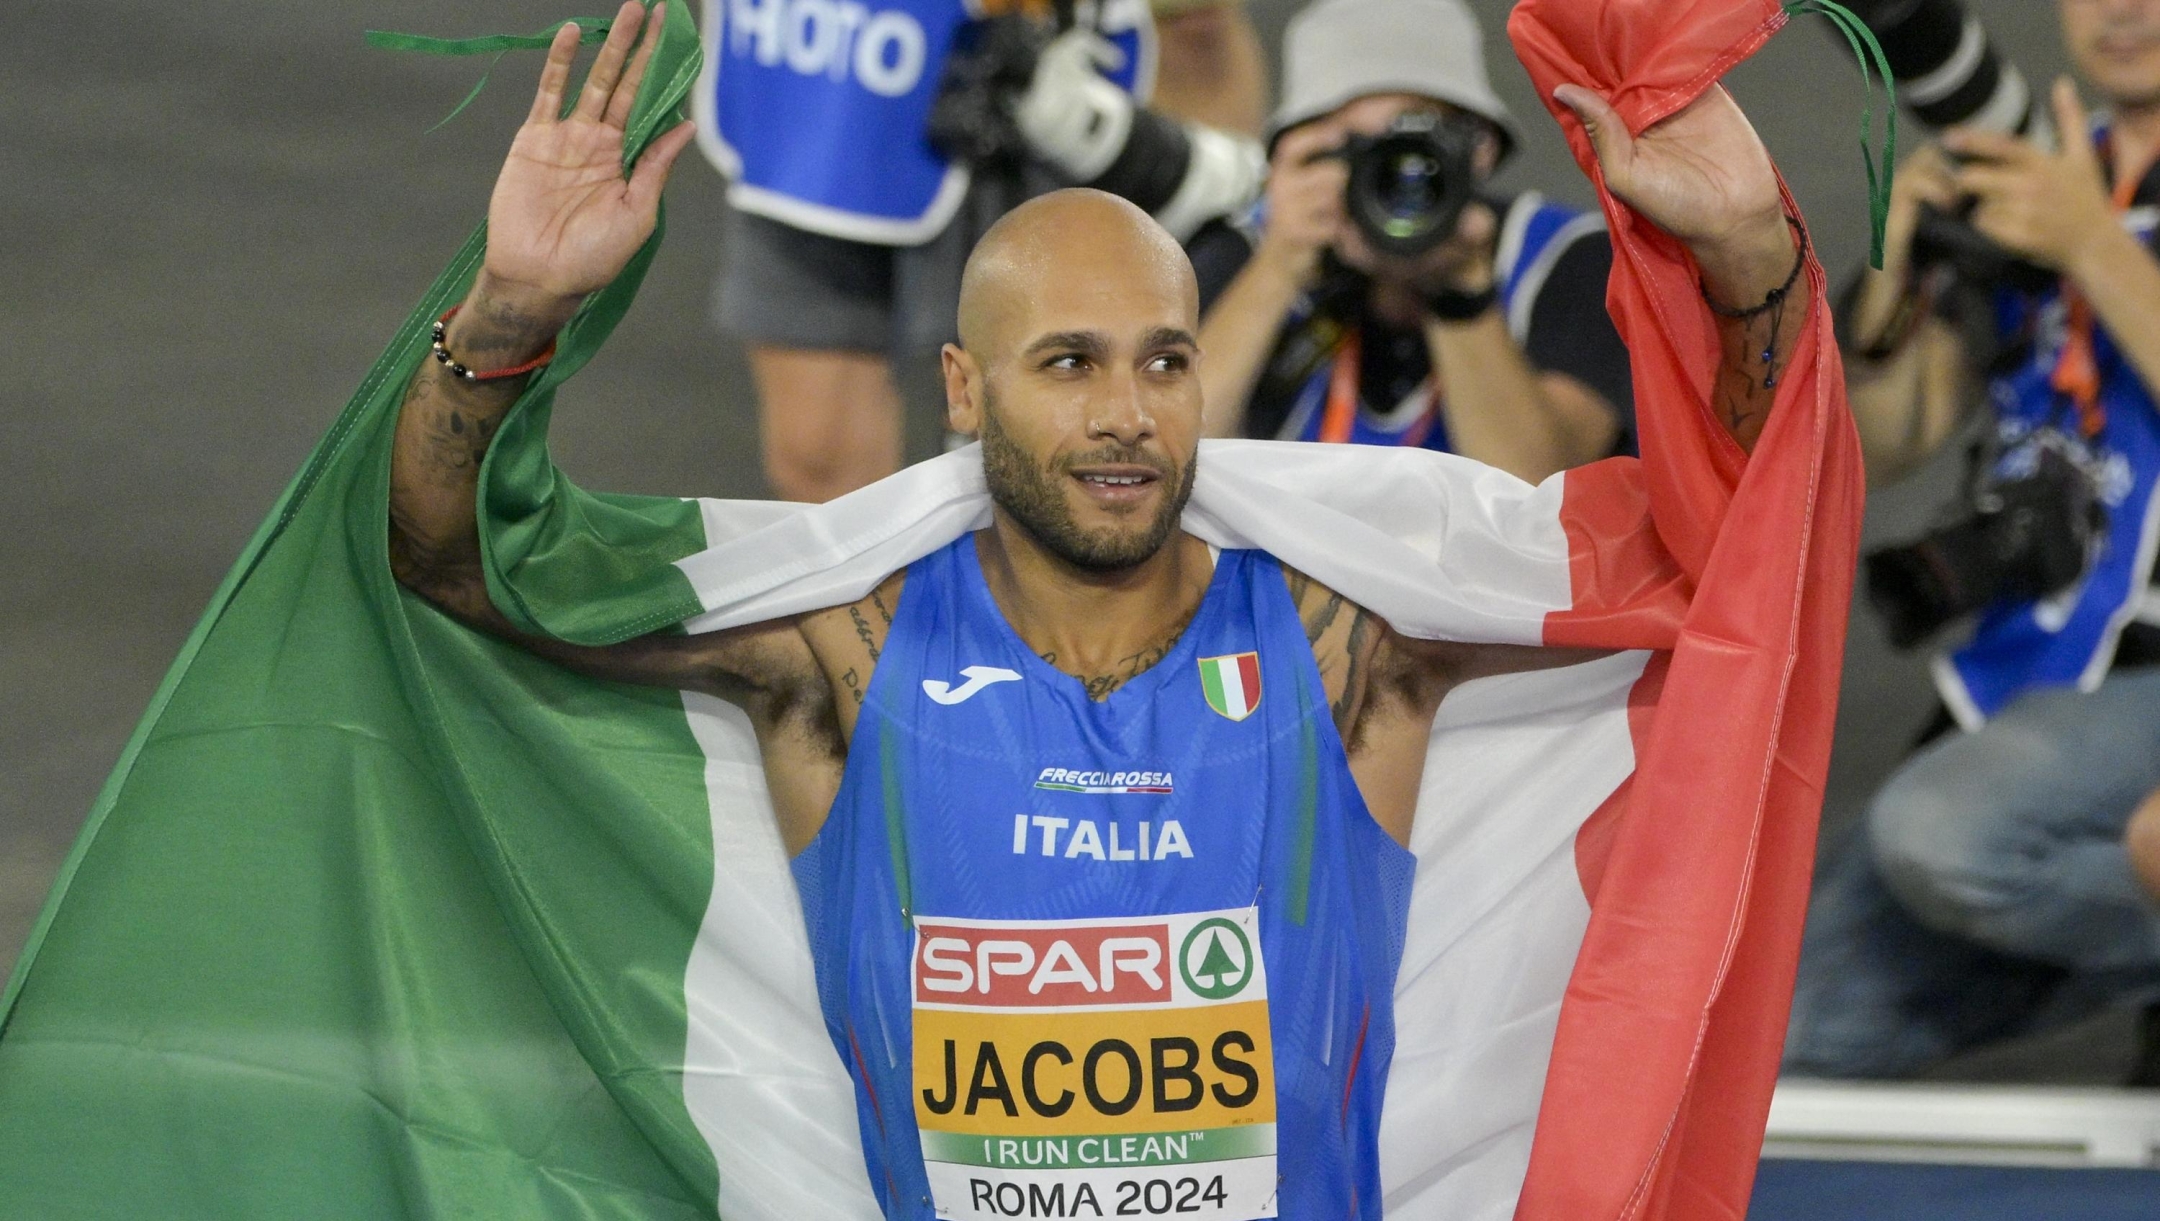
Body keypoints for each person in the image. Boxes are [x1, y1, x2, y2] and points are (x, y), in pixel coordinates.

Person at [389, 5, 1808, 1214]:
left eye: (1165, 361)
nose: (1126, 416)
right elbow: (464, 573)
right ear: (962, 389)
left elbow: (1731, 555)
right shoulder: (840, 656)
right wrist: (509, 312)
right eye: (1068, 362)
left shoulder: (1348, 647)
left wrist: (1750, 266)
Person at [1785, 0, 2160, 1081]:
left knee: (1944, 833)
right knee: (1791, 1031)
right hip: (2028, 683)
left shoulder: (2067, 208)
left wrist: (2093, 246)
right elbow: (1880, 447)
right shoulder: (2039, 174)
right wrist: (1900, 276)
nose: (2122, 12)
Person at [695, 0, 1265, 501]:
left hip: (1039, 56)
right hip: (828, 60)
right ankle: (883, 621)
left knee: (1066, 439)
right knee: (818, 458)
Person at [1186, 0, 1634, 485]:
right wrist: (1278, 266)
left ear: (1478, 146)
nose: (1390, 176)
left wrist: (1458, 288)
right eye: (1354, 148)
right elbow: (1171, 468)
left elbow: (1541, 497)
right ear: (1293, 157)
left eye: (1413, 145)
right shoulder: (1245, 253)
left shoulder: (1567, 259)